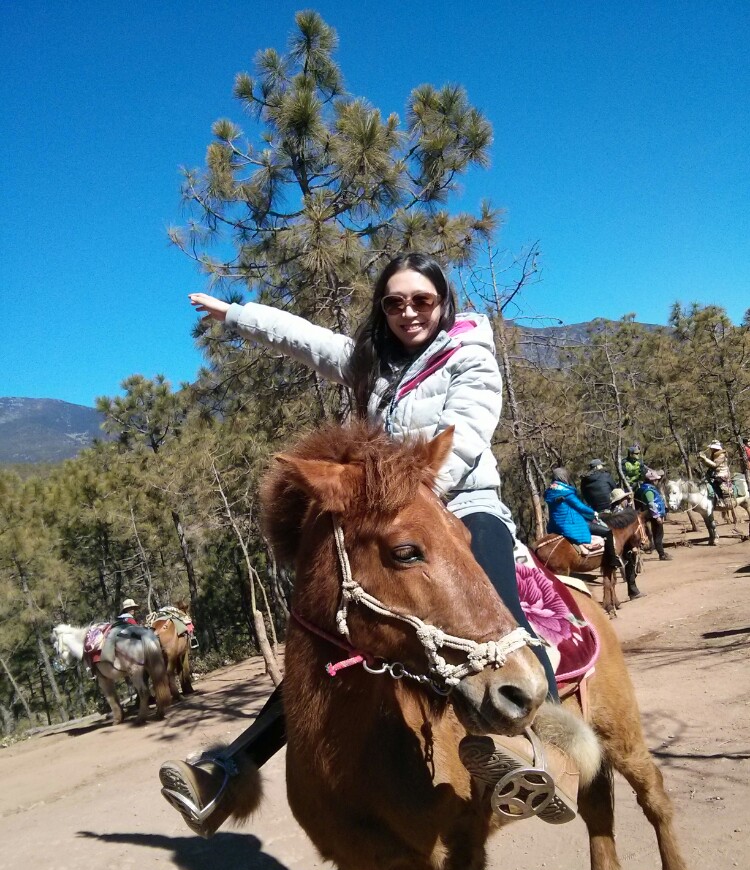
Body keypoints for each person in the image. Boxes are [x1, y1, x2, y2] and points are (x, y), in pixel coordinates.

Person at [159, 252, 590, 837]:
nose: (408, 312)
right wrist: (236, 314)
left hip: (459, 503)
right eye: (394, 302)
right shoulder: (372, 361)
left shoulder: (470, 358)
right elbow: (306, 340)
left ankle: (542, 746)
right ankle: (233, 767)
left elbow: (461, 436)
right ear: (381, 308)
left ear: (443, 304)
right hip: (386, 515)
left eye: (421, 301)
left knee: (499, 611)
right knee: (324, 636)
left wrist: (397, 479)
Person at [544, 468, 608, 554]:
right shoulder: (565, 491)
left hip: (554, 526)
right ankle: (612, 561)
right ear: (563, 476)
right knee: (608, 531)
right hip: (570, 525)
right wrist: (593, 513)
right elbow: (579, 506)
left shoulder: (549, 491)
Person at [634, 469, 671, 560]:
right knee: (658, 534)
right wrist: (657, 516)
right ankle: (661, 554)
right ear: (652, 480)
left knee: (656, 534)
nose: (658, 481)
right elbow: (651, 504)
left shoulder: (644, 488)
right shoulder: (648, 491)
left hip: (648, 514)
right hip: (652, 514)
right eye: (657, 479)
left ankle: (660, 551)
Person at [698, 441, 734, 505]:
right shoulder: (714, 454)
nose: (711, 449)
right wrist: (703, 460)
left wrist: (705, 459)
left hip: (722, 473)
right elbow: (710, 464)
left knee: (719, 484)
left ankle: (722, 500)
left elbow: (715, 465)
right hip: (714, 473)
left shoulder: (721, 455)